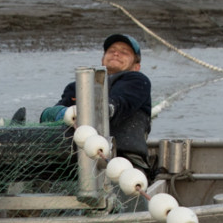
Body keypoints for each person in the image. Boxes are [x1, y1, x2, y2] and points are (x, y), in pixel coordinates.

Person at [51, 33, 153, 168]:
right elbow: (53, 115)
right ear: (102, 59)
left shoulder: (138, 81)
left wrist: (86, 111)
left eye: (124, 52)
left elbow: (118, 105)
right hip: (71, 162)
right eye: (111, 51)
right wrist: (57, 113)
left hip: (123, 163)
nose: (116, 54)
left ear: (136, 66)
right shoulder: (76, 86)